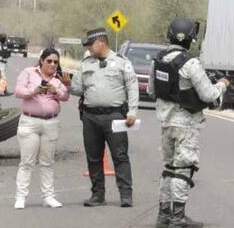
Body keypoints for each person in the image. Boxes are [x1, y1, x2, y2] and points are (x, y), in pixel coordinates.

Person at [152, 17, 229, 228]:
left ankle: (163, 214)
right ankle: (177, 217)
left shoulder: (158, 60)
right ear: (189, 39)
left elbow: (152, 90)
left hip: (166, 123)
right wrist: (222, 84)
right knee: (183, 169)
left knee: (168, 168)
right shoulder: (190, 64)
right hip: (186, 124)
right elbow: (208, 94)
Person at [69, 27, 139, 207]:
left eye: (91, 44)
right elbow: (77, 88)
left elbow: (132, 87)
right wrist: (66, 84)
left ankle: (126, 194)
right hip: (90, 116)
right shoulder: (86, 63)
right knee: (93, 156)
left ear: (101, 42)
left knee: (120, 155)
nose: (89, 48)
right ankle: (97, 194)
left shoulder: (122, 62)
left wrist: (132, 112)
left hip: (115, 116)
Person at [13, 47, 70, 209]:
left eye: (55, 62)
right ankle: (21, 197)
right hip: (30, 122)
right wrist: (34, 90)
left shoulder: (58, 79)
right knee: (27, 162)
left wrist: (56, 90)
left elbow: (65, 96)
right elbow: (18, 91)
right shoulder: (29, 72)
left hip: (50, 123)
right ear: (41, 61)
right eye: (49, 61)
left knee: (47, 162)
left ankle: (48, 196)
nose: (52, 64)